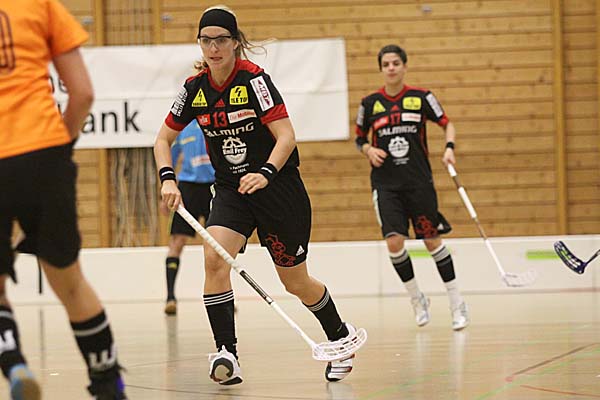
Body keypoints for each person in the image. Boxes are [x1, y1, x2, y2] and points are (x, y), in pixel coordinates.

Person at [154, 5, 363, 385]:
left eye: (221, 40)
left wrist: (265, 173)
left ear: (235, 42)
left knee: (295, 282)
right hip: (232, 191)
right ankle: (227, 353)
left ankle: (339, 335)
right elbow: (162, 139)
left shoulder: (254, 81)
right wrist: (168, 178)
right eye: (206, 40)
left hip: (278, 190)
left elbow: (286, 136)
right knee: (215, 259)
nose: (213, 48)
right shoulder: (194, 89)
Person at [0, 1, 127, 399]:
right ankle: (108, 386)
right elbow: (83, 93)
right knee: (71, 284)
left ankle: (14, 364)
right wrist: (60, 150)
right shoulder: (39, 5)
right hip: (43, 153)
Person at [355, 44, 469, 331]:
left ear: (405, 66)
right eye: (386, 64)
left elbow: (447, 124)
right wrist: (368, 149)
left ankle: (457, 303)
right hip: (386, 185)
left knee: (432, 241)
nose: (391, 68)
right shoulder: (369, 103)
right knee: (394, 242)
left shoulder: (422, 97)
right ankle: (417, 299)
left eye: (396, 63)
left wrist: (449, 148)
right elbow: (359, 138)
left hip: (418, 183)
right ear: (381, 69)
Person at [163, 119, 215, 315]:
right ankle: (170, 297)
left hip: (214, 186)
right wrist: (165, 192)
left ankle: (223, 295)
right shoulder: (182, 128)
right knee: (177, 242)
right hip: (188, 188)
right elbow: (170, 158)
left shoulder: (213, 121)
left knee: (218, 245)